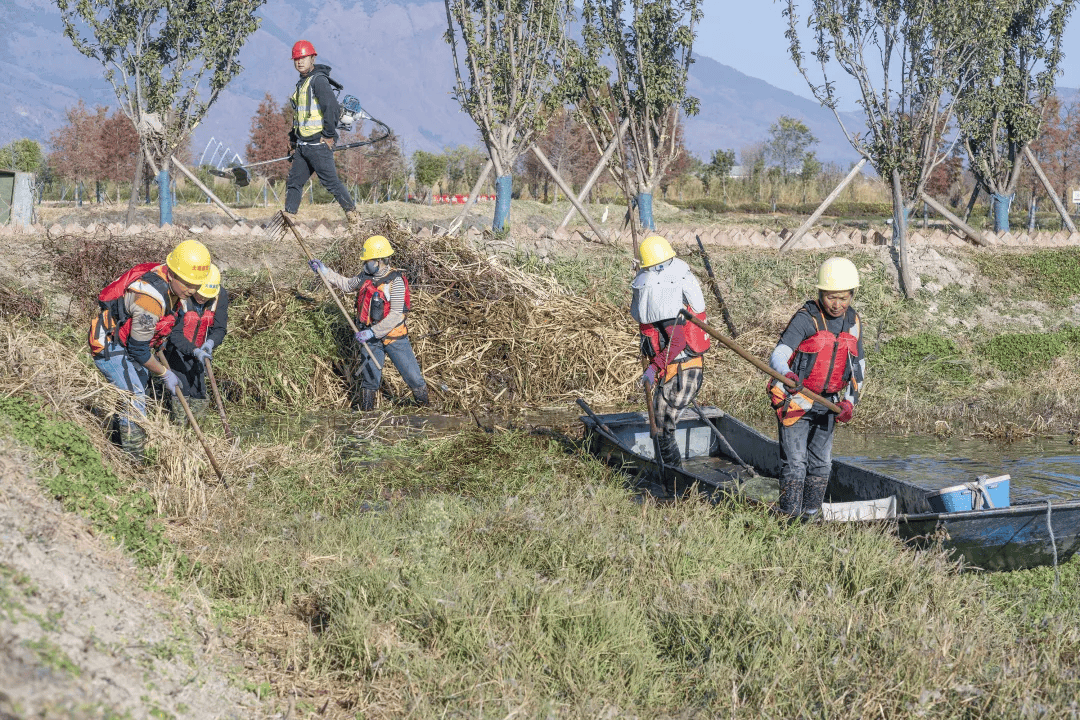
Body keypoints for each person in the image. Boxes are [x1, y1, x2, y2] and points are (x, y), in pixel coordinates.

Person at [88, 239, 212, 459]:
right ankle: (133, 460)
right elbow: (139, 350)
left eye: (196, 284)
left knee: (138, 386)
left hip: (128, 340)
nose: (192, 290)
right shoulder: (149, 302)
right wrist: (165, 373)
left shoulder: (174, 287)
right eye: (188, 283)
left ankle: (116, 445)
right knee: (134, 396)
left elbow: (166, 329)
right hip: (109, 342)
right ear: (172, 273)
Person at [767, 257, 866, 520]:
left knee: (822, 463)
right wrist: (787, 374)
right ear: (820, 294)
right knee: (796, 464)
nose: (837, 304)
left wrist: (849, 402)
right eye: (831, 297)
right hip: (796, 399)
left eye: (843, 298)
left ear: (851, 295)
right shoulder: (806, 318)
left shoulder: (853, 321)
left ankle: (811, 515)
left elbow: (859, 366)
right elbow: (778, 355)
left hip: (829, 402)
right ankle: (789, 517)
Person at [308, 235, 429, 410]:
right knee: (370, 378)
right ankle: (366, 414)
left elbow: (396, 314)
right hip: (370, 339)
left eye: (369, 261)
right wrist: (325, 271)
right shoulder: (365, 276)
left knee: (413, 377)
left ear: (381, 260)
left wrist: (373, 332)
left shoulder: (395, 281)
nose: (365, 264)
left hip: (394, 337)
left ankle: (425, 410)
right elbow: (347, 285)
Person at [630, 234, 711, 470]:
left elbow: (676, 343)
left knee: (663, 427)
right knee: (661, 422)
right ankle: (668, 469)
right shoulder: (671, 282)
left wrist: (654, 367)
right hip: (679, 369)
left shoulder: (663, 297)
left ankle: (674, 476)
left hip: (684, 371)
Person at [284, 40, 360, 234]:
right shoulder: (302, 83)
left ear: (312, 58)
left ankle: (354, 217)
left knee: (331, 183)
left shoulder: (318, 80)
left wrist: (328, 135)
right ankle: (289, 219)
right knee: (294, 182)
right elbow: (300, 116)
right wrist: (293, 140)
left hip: (318, 144)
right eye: (296, 59)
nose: (299, 62)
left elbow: (332, 108)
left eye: (303, 58)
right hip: (303, 145)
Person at [162, 264, 228, 425]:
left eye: (207, 296)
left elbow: (220, 328)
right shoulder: (181, 297)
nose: (202, 299)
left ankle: (197, 431)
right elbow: (174, 334)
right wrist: (194, 351)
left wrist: (211, 343)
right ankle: (178, 428)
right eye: (200, 294)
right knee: (181, 388)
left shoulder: (220, 296)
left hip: (201, 353)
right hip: (176, 351)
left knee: (199, 392)